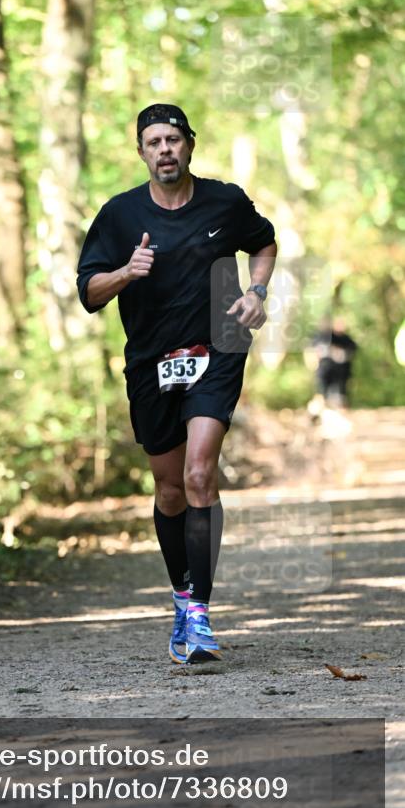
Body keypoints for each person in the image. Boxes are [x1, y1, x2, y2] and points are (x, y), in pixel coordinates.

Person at [76, 104, 277, 665]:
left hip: (219, 345)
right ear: (141, 153)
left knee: (198, 472)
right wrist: (125, 272)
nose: (164, 149)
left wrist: (256, 295)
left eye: (173, 139)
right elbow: (88, 291)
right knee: (168, 491)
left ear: (190, 145)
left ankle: (201, 614)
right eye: (153, 142)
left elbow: (264, 243)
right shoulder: (118, 216)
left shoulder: (225, 202)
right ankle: (181, 595)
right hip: (150, 362)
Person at [309, 316, 358, 408]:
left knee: (340, 397)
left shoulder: (347, 339)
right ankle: (315, 414)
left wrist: (340, 353)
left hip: (341, 374)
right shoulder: (322, 337)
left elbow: (353, 351)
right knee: (321, 395)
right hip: (324, 371)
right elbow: (312, 351)